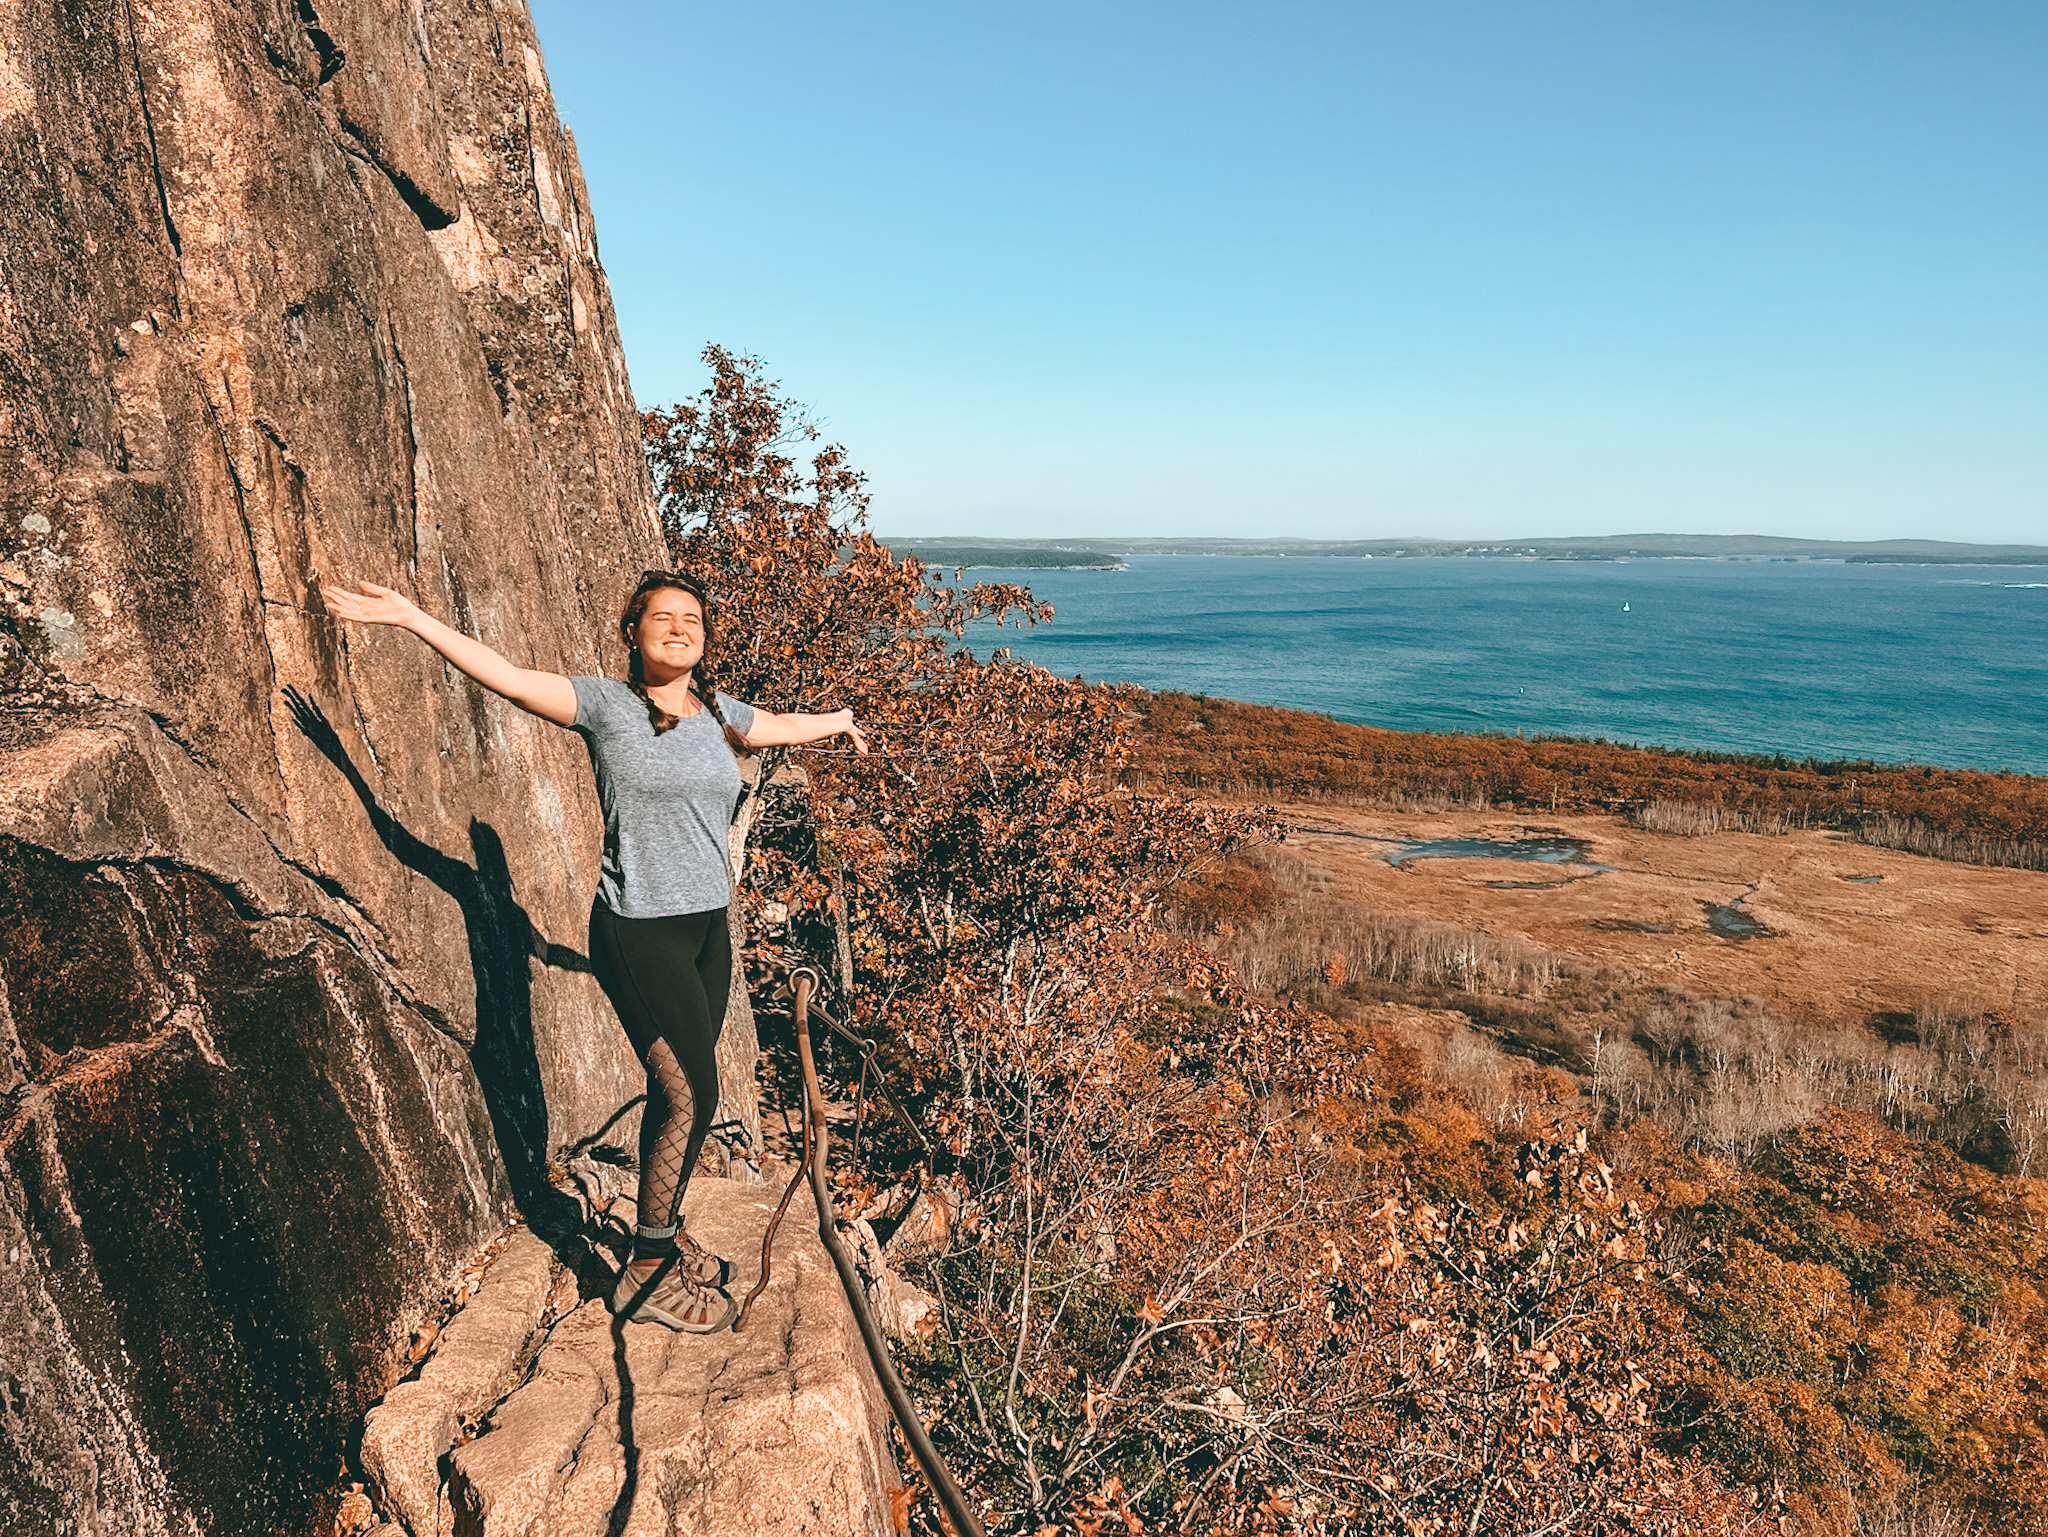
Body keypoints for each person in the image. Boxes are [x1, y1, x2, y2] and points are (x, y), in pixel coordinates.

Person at [318, 568, 867, 1331]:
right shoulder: (608, 706)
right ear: (633, 634)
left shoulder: (717, 710)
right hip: (637, 929)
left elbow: (773, 723)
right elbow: (507, 679)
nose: (680, 627)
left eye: (693, 620)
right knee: (692, 1093)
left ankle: (663, 1234)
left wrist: (836, 719)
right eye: (662, 617)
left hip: (708, 933)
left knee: (682, 1088)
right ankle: (645, 1273)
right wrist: (413, 617)